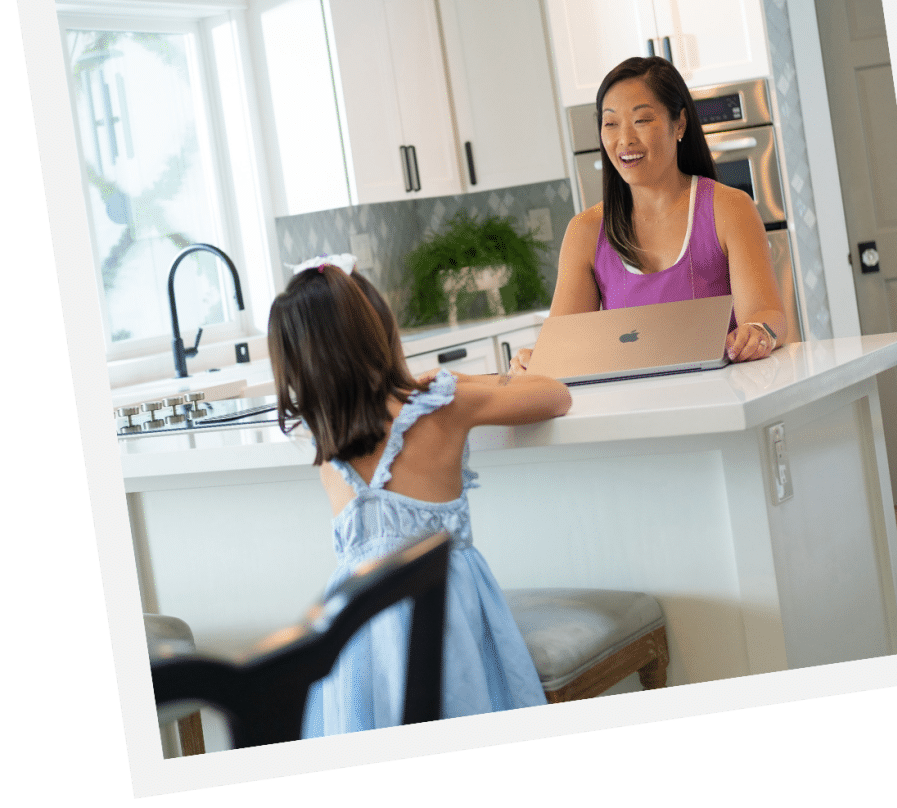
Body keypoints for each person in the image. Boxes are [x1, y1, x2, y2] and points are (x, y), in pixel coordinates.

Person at [267, 256, 572, 734]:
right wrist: (463, 380)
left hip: (355, 631)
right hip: (447, 614)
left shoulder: (318, 436)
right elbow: (555, 394)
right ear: (382, 332)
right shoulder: (443, 405)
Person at [511, 56, 786, 373]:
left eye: (641, 120)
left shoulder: (729, 209)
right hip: (635, 411)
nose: (625, 140)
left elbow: (767, 314)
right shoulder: (585, 232)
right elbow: (565, 345)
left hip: (724, 397)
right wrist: (536, 359)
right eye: (611, 124)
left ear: (679, 123)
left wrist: (760, 332)